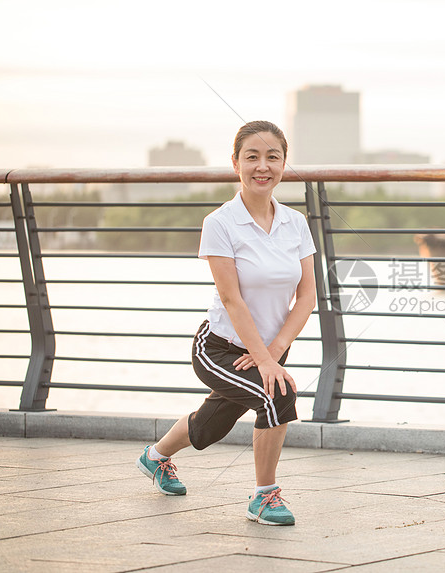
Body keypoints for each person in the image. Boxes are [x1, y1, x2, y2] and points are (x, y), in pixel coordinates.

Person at [136, 120, 316, 526]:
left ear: (284, 164)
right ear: (235, 163)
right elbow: (232, 300)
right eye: (252, 156)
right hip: (219, 348)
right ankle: (264, 498)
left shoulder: (295, 223)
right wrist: (265, 361)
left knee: (210, 424)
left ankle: (155, 457)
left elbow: (307, 297)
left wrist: (272, 353)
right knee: (277, 396)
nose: (262, 166)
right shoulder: (220, 222)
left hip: (268, 348)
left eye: (273, 157)